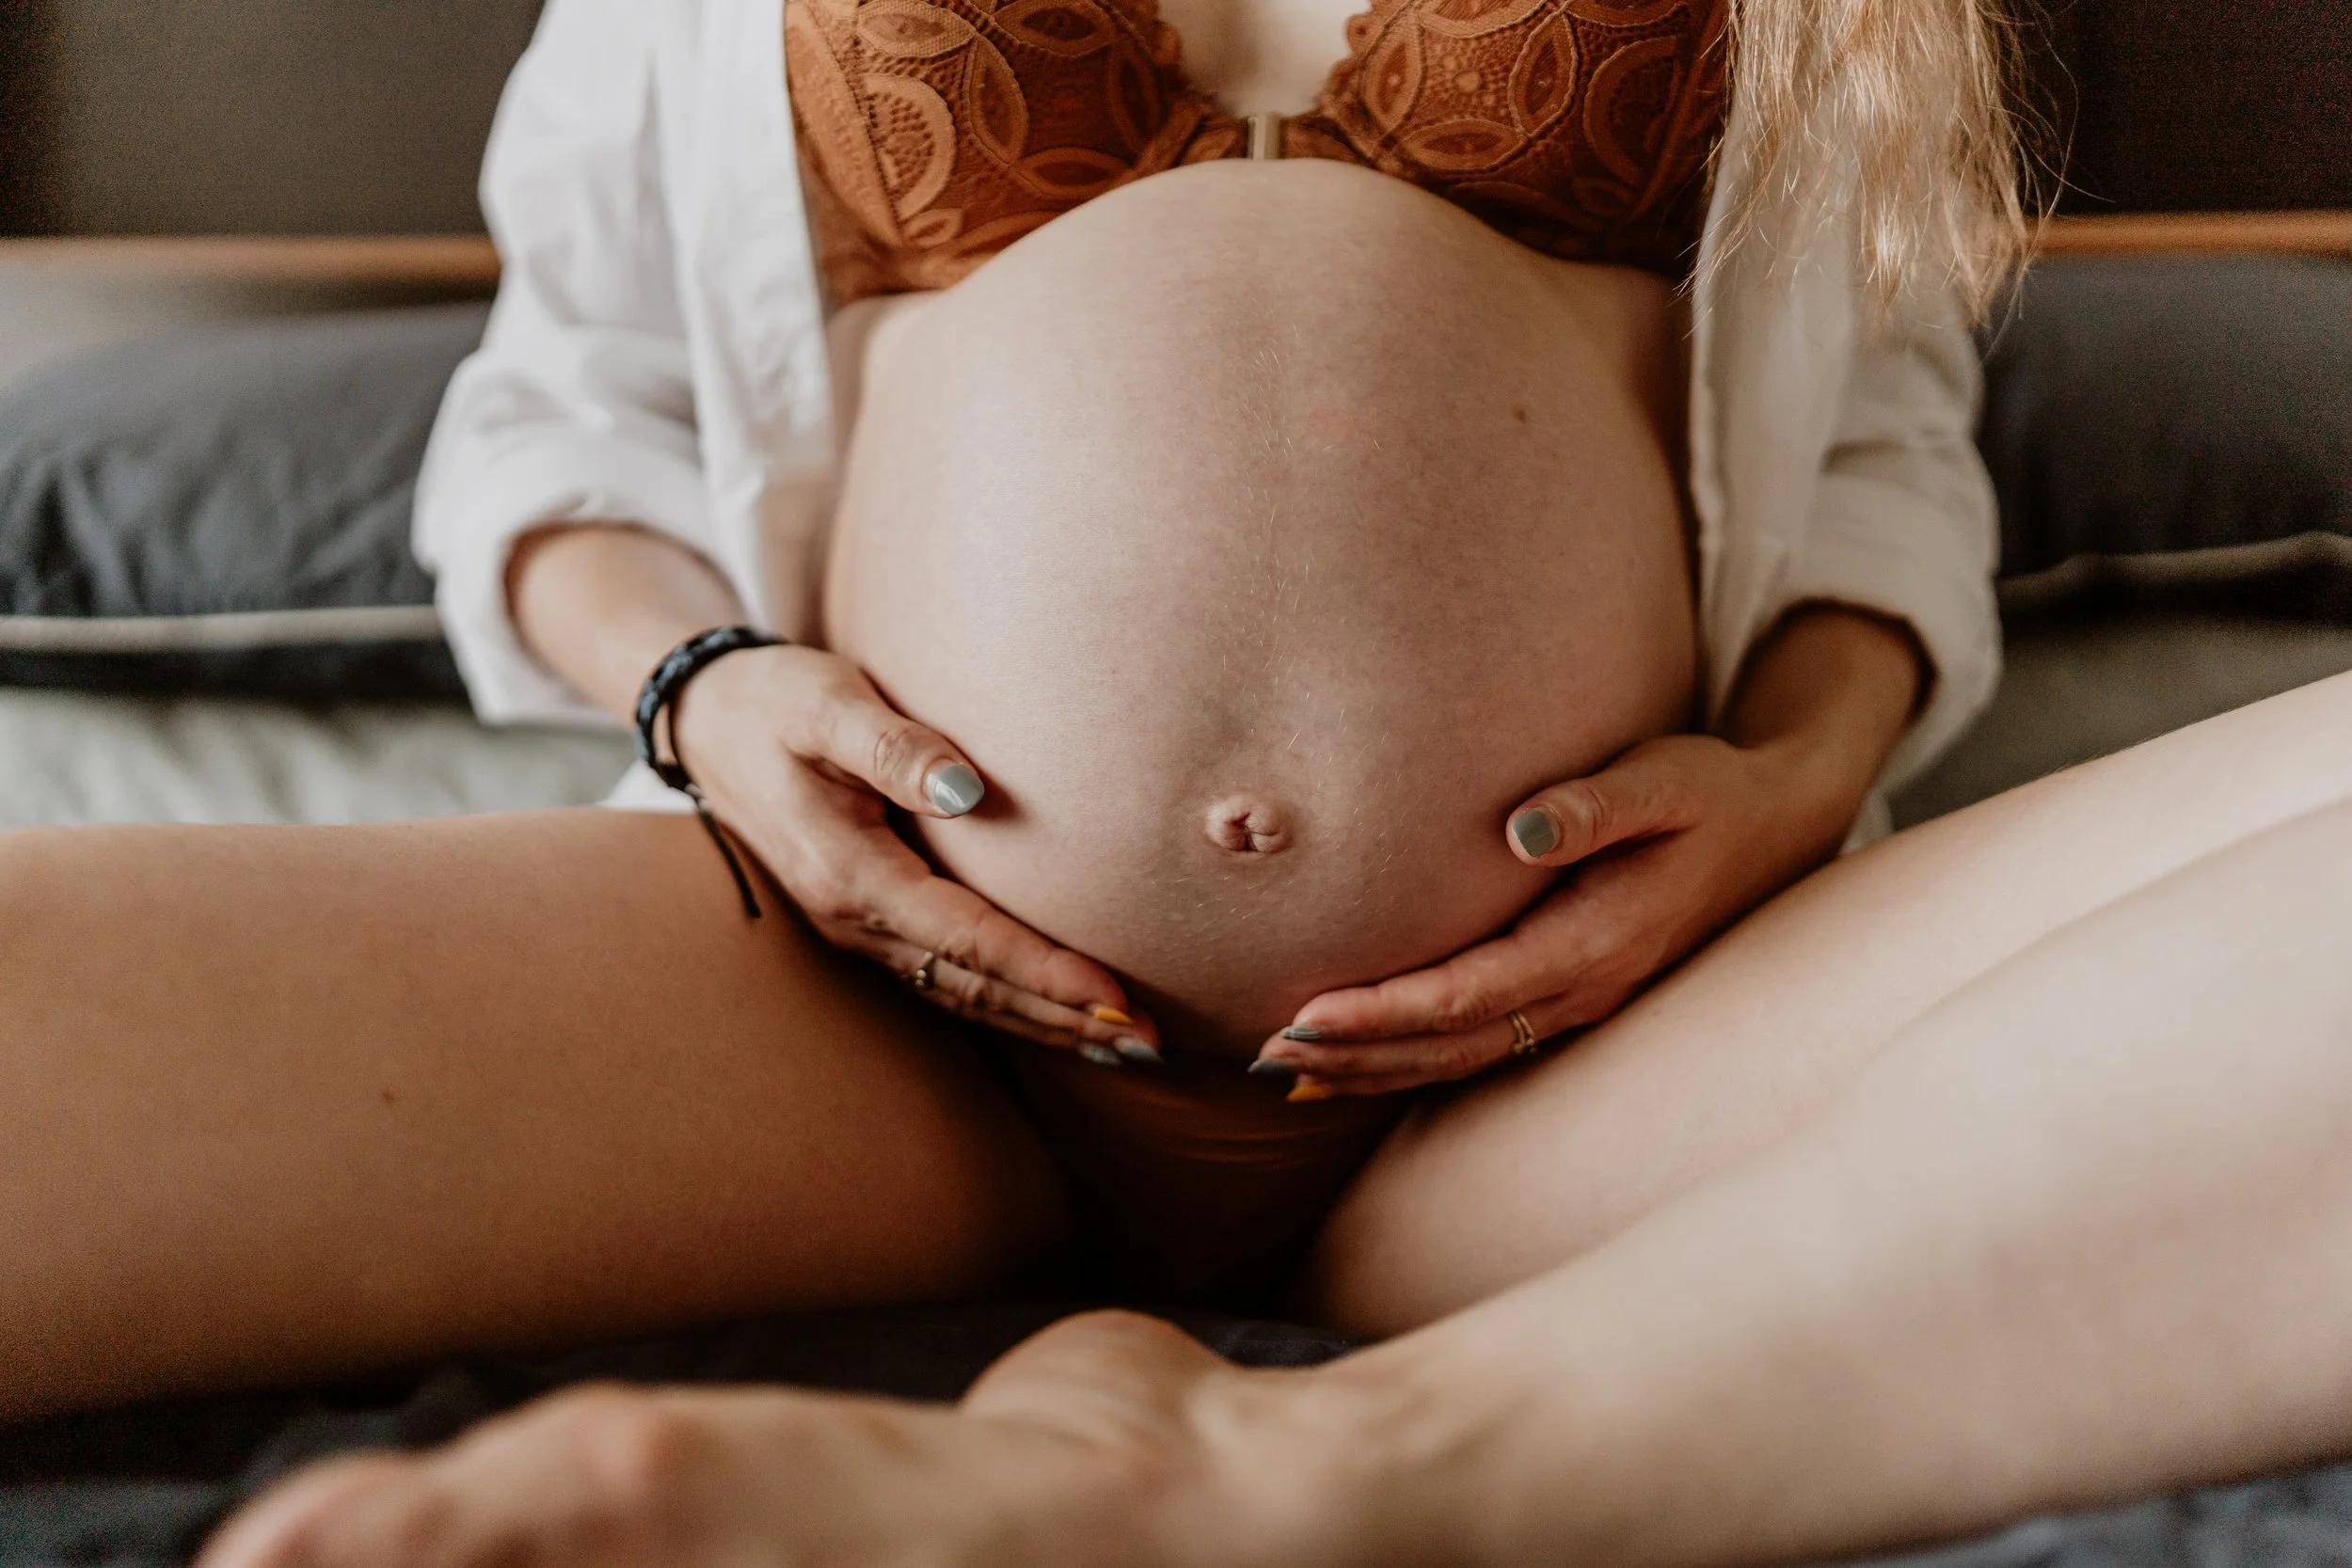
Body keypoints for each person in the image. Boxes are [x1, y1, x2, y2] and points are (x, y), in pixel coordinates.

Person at [37, 0, 2352, 1559]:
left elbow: (1878, 447)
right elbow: (549, 433)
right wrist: (710, 691)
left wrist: (1785, 770)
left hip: (1608, 1038)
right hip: (844, 1017)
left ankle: (1306, 1464)